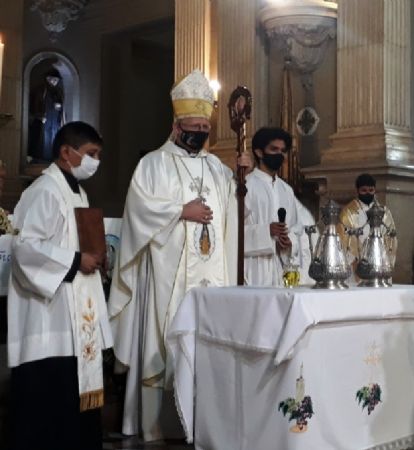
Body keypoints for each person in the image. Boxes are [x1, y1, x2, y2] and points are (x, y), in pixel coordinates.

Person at [108, 69, 253, 441]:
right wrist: (179, 211)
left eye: (205, 125)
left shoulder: (215, 167)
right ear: (176, 126)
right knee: (164, 337)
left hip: (212, 276)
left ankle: (205, 422)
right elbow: (138, 211)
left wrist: (241, 180)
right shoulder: (152, 164)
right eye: (193, 124)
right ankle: (158, 426)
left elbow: (237, 216)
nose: (200, 131)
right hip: (166, 274)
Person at [8, 122, 111, 450]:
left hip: (74, 320)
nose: (96, 162)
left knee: (75, 407)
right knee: (48, 408)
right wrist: (74, 260)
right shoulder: (44, 190)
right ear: (67, 152)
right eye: (91, 154)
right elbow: (25, 249)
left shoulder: (77, 192)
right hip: (49, 320)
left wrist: (95, 256)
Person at [244, 127, 315, 286]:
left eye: (283, 151)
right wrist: (266, 231)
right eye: (274, 149)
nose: (280, 155)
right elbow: (232, 233)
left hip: (279, 267)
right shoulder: (246, 186)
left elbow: (297, 230)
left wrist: (288, 241)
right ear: (259, 152)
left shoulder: (286, 190)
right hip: (253, 268)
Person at [338, 173, 396, 282]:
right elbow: (344, 240)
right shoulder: (348, 213)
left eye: (371, 190)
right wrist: (356, 263)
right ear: (357, 191)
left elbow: (391, 237)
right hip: (357, 265)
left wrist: (386, 260)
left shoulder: (384, 212)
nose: (368, 193)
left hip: (380, 263)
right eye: (364, 190)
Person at [28, 69, 66, 162]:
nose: (54, 82)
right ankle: (40, 157)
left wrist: (59, 107)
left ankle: (51, 157)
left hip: (55, 118)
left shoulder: (58, 91)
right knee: (43, 138)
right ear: (48, 79)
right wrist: (39, 115)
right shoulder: (41, 90)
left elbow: (61, 105)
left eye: (56, 80)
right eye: (53, 80)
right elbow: (34, 104)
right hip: (44, 118)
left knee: (53, 136)